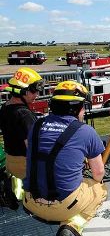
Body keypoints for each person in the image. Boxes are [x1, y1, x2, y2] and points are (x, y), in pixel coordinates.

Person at [23, 81, 107, 236]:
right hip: (63, 207)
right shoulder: (86, 131)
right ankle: (72, 226)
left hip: (30, 202)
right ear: (78, 108)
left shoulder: (36, 125)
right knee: (100, 188)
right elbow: (99, 173)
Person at [0, 67, 44, 209]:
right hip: (23, 166)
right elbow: (33, 149)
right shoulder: (25, 115)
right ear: (23, 91)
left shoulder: (5, 107)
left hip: (10, 162)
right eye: (33, 91)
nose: (37, 94)